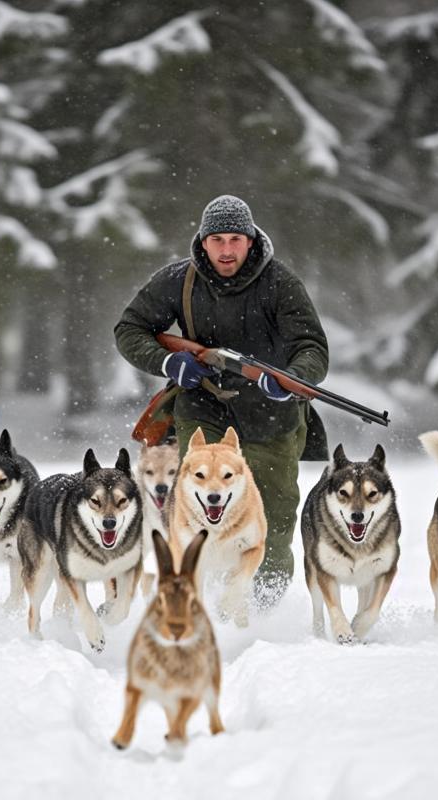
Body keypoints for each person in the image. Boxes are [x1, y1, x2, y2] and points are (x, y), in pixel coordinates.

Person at [114, 194, 329, 605]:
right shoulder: (178, 279)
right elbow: (130, 328)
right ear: (203, 240)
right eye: (217, 239)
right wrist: (169, 363)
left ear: (251, 240)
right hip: (203, 404)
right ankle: (199, 598)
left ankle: (264, 610)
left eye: (235, 238)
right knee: (195, 504)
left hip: (273, 414)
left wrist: (291, 379)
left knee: (275, 513)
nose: (226, 249)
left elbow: (312, 347)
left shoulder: (281, 284)